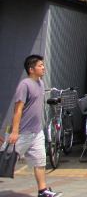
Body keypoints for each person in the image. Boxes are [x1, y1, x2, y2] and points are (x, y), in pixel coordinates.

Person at [7, 55, 62, 196]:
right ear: (31, 69)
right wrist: (15, 131)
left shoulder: (40, 83)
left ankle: (42, 191)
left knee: (40, 161)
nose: (43, 67)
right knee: (6, 159)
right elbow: (18, 109)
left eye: (43, 65)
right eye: (40, 65)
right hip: (22, 132)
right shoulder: (24, 85)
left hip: (37, 132)